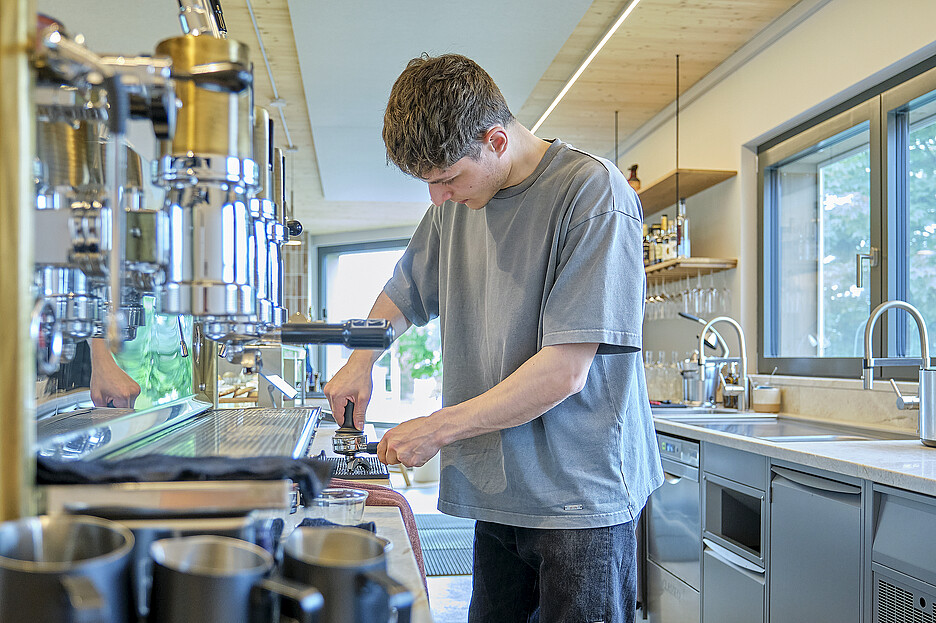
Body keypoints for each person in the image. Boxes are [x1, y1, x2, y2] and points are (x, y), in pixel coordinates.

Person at [324, 53, 662, 623]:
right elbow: (405, 291)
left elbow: (564, 370)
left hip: (579, 501)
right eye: (428, 183)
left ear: (497, 140)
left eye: (447, 178)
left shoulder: (592, 194)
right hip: (500, 490)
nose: (437, 198)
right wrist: (361, 360)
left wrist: (437, 427)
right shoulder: (456, 206)